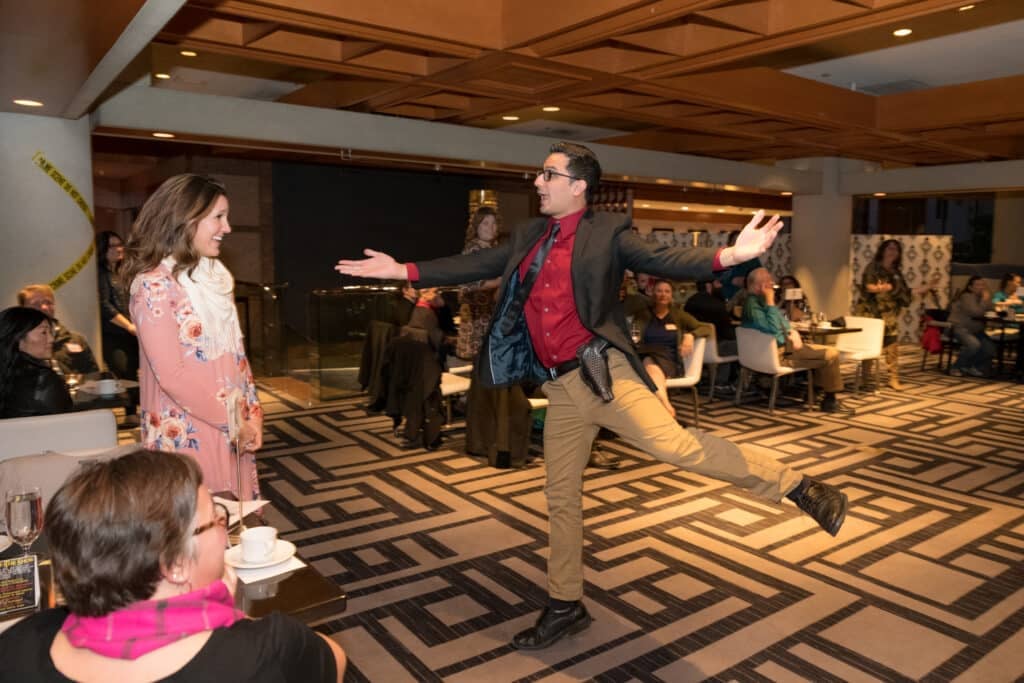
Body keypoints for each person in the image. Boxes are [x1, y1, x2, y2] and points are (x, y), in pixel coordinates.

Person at [335, 141, 849, 651]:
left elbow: (665, 258)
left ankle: (800, 487)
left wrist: (731, 255)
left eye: (548, 174)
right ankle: (565, 604)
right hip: (560, 386)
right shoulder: (530, 234)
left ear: (578, 186)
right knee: (560, 496)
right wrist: (403, 270)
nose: (538, 182)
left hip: (605, 374)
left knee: (674, 446)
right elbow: (474, 265)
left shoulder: (609, 232)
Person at [0, 449, 346, 682]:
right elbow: (335, 661)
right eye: (217, 518)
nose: (224, 529)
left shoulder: (18, 645)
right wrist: (232, 610)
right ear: (176, 563)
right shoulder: (267, 652)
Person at [119, 174, 263, 499]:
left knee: (238, 520)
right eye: (218, 217)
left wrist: (253, 415)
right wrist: (233, 422)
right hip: (187, 433)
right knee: (199, 522)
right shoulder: (153, 285)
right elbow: (172, 376)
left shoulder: (216, 277)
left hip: (233, 427)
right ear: (186, 218)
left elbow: (238, 357)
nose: (227, 228)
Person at [742, 268, 854, 414]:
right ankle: (829, 400)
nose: (772, 283)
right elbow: (772, 329)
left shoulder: (759, 302)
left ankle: (814, 392)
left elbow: (782, 321)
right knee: (831, 354)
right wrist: (770, 301)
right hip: (779, 354)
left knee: (822, 351)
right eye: (768, 282)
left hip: (780, 350)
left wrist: (792, 331)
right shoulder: (753, 305)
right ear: (759, 286)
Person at [856, 239, 937, 390]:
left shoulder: (896, 273)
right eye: (889, 248)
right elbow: (868, 286)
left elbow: (905, 292)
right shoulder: (873, 267)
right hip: (872, 314)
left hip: (889, 315)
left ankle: (893, 378)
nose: (893, 251)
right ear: (883, 250)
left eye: (896, 249)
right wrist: (880, 288)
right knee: (870, 346)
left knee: (892, 346)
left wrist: (926, 287)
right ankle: (864, 378)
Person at [629, 279, 712, 417]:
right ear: (653, 293)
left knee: (649, 363)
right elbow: (633, 333)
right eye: (659, 291)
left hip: (669, 359)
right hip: (645, 353)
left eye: (667, 291)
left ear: (671, 295)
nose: (663, 294)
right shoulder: (643, 314)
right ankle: (665, 406)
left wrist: (691, 335)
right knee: (648, 360)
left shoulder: (678, 314)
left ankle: (663, 407)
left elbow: (706, 328)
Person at [0, 306, 73, 418]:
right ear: (18, 338)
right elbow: (65, 423)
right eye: (44, 332)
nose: (51, 339)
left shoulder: (7, 374)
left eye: (50, 332)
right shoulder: (43, 380)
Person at [17, 284, 99, 376]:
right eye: (36, 304)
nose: (44, 307)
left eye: (48, 303)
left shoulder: (76, 340)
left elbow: (94, 375)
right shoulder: (15, 343)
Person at [456, 206, 501, 360]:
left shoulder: (492, 249)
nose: (491, 227)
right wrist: (499, 281)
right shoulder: (473, 249)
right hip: (476, 315)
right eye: (485, 223)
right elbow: (468, 284)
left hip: (487, 313)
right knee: (480, 362)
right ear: (477, 226)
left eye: (494, 223)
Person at [96, 231, 140, 380]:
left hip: (129, 334)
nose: (119, 249)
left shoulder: (122, 273)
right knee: (125, 377)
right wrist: (129, 326)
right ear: (102, 249)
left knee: (134, 377)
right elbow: (104, 305)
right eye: (112, 246)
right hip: (114, 336)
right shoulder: (100, 274)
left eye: (120, 245)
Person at [948, 275, 995, 377]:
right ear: (970, 287)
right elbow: (976, 312)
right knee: (974, 345)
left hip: (976, 330)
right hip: (960, 328)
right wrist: (984, 301)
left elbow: (992, 308)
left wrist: (987, 300)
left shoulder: (981, 298)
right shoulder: (966, 296)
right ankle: (955, 367)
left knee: (990, 348)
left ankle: (969, 366)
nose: (981, 287)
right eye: (978, 285)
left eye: (982, 285)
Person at [685, 278, 737, 357]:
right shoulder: (717, 304)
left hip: (697, 347)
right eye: (718, 283)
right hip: (718, 346)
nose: (721, 286)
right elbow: (727, 332)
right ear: (708, 286)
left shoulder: (689, 302)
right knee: (748, 344)